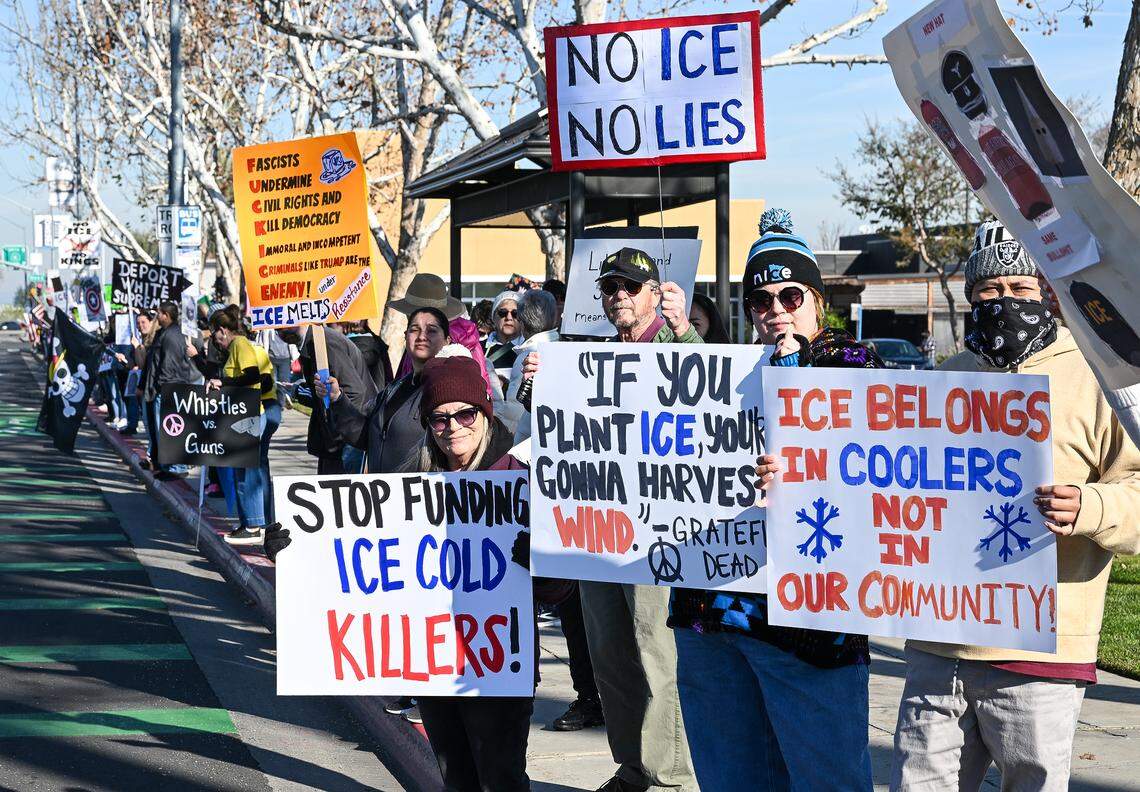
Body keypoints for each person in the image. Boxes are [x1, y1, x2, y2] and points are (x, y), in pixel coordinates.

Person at [891, 220, 1140, 792]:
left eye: (1020, 289)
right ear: (972, 295)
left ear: (1046, 290)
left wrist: (1091, 507)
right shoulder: (943, 380)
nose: (1004, 301)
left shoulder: (1104, 376)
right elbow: (886, 483)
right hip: (939, 641)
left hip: (1042, 650)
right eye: (988, 291)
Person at [671, 208, 881, 792]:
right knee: (732, 777)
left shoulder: (854, 362)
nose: (776, 311)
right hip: (712, 610)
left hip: (809, 624)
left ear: (816, 299)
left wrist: (792, 369)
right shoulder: (723, 375)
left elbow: (882, 467)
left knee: (826, 778)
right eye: (761, 301)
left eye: (791, 295)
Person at [521, 246, 701, 792]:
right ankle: (632, 765)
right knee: (611, 654)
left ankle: (670, 776)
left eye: (629, 286)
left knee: (656, 651)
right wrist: (537, 385)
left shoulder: (681, 347)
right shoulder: (589, 358)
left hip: (659, 536)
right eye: (609, 288)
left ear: (655, 292)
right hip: (597, 534)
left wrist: (685, 332)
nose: (618, 295)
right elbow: (555, 435)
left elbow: (714, 405)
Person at [390, 354, 568, 792]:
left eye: (465, 414)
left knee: (501, 778)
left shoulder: (519, 476)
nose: (453, 427)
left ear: (484, 412)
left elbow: (561, 588)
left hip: (498, 661)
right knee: (458, 779)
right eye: (439, 419)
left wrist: (540, 558)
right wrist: (293, 547)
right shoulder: (410, 481)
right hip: (436, 657)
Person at [324, 307, 451, 474]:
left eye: (431, 330)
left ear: (447, 340)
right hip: (385, 495)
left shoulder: (449, 388)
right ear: (406, 337)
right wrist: (338, 399)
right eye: (414, 329)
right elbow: (364, 436)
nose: (421, 336)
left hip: (424, 495)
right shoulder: (394, 389)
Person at [206, 308, 282, 546]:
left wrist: (223, 382)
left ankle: (254, 525)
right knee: (256, 469)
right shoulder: (244, 346)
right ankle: (261, 523)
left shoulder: (239, 344)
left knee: (246, 468)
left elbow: (251, 378)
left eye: (214, 333)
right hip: (261, 410)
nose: (214, 340)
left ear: (222, 330)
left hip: (256, 411)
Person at [280, 324, 376, 474]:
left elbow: (355, 393)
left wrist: (342, 440)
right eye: (276, 328)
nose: (282, 330)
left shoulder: (325, 343)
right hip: (336, 441)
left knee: (340, 495)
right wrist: (299, 390)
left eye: (285, 324)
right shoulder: (313, 342)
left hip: (346, 443)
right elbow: (324, 394)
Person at [141, 301, 195, 479]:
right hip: (161, 389)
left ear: (166, 315)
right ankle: (165, 465)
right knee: (160, 430)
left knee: (170, 431)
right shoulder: (163, 334)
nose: (157, 316)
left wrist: (162, 388)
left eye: (159, 313)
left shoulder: (172, 335)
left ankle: (177, 467)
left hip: (169, 390)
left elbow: (169, 366)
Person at [505, 289, 559, 459]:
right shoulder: (562, 350)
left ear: (521, 322)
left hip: (528, 449)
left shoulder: (527, 356)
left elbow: (515, 411)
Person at [485, 290, 522, 379]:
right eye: (503, 312)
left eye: (515, 313)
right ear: (493, 317)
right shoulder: (478, 348)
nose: (509, 318)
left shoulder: (530, 348)